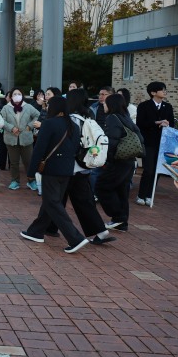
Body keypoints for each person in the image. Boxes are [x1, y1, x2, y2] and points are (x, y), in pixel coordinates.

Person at [21, 96, 90, 253]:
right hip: (67, 169)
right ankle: (36, 231)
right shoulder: (74, 125)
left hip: (51, 169)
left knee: (52, 203)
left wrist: (31, 171)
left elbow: (39, 149)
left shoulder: (49, 123)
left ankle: (75, 238)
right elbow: (75, 149)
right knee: (52, 201)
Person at [64, 89, 116, 245]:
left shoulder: (72, 119)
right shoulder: (88, 117)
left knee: (55, 201)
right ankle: (101, 231)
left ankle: (44, 228)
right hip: (85, 165)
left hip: (71, 166)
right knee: (83, 201)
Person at [98, 94, 145, 231]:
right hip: (129, 160)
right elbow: (140, 137)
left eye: (105, 103)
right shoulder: (126, 117)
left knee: (102, 186)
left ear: (111, 105)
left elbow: (112, 141)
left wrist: (106, 159)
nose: (103, 105)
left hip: (117, 160)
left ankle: (118, 217)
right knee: (121, 191)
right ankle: (122, 222)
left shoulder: (112, 118)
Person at [135, 81, 174, 207]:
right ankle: (141, 195)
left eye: (165, 89)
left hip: (162, 144)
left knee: (158, 170)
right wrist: (156, 123)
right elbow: (140, 123)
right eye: (162, 89)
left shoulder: (168, 107)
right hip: (148, 142)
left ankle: (149, 195)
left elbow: (172, 124)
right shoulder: (144, 106)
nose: (165, 92)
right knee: (148, 170)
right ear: (153, 92)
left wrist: (167, 124)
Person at [0, 87, 39, 190]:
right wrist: (11, 128)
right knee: (14, 162)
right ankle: (15, 181)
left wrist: (30, 126)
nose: (17, 96)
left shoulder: (28, 106)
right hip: (11, 138)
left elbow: (37, 115)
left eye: (19, 94)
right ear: (11, 96)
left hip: (26, 138)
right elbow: (1, 120)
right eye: (14, 94)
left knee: (29, 161)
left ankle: (31, 180)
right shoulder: (6, 108)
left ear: (22, 95)